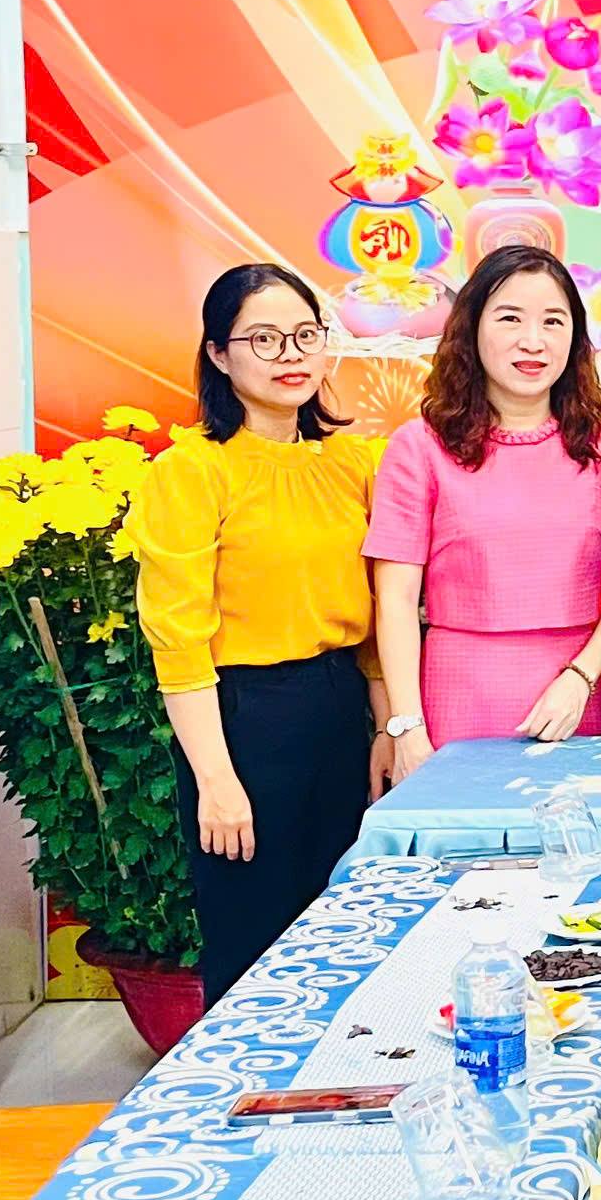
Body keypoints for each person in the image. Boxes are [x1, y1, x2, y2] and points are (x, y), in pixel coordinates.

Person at [129, 263, 390, 1005]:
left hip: (340, 707)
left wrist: (384, 729)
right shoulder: (192, 471)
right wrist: (216, 781)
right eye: (264, 339)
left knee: (348, 929)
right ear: (219, 354)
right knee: (254, 938)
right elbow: (178, 639)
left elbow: (376, 617)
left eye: (305, 335)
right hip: (244, 722)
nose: (290, 356)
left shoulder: (353, 463)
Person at [367, 244, 601, 776]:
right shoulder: (419, 446)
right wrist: (407, 729)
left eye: (553, 321)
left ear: (575, 338)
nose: (532, 340)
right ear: (471, 329)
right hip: (454, 701)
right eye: (510, 318)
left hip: (573, 702)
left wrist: (582, 677)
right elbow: (394, 599)